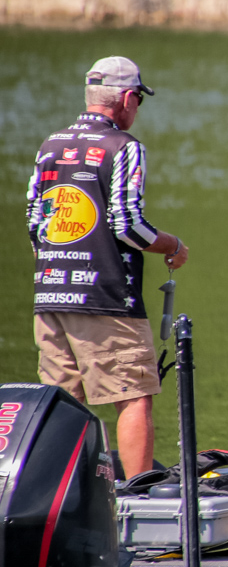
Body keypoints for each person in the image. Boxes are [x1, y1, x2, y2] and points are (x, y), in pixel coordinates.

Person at [26, 56, 190, 478]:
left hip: (50, 294)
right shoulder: (125, 147)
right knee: (133, 397)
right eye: (138, 100)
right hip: (106, 298)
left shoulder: (51, 144)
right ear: (128, 99)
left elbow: (34, 222)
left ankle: (67, 500)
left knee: (63, 405)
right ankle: (135, 499)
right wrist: (173, 245)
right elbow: (127, 225)